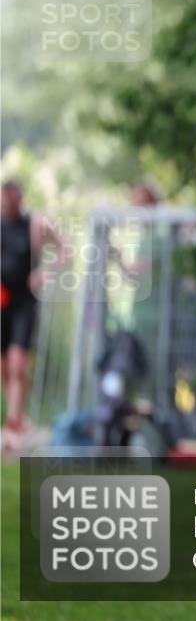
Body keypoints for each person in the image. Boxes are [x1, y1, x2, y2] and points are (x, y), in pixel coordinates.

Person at [1, 178, 69, 453]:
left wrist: (46, 272)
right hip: (1, 303)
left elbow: (66, 248)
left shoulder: (35, 224)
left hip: (24, 304)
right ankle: (20, 417)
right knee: (5, 368)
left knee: (18, 364)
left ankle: (14, 423)